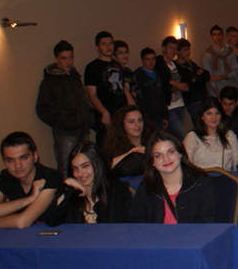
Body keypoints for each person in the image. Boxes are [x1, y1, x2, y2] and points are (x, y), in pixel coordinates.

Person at [0, 132, 61, 228]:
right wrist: (30, 199)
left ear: (35, 157)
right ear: (4, 162)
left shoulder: (51, 176)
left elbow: (22, 222)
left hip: (60, 232)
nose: (17, 165)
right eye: (10, 160)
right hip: (25, 233)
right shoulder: (6, 176)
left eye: (23, 158)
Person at [128, 131, 216, 223]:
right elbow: (137, 224)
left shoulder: (201, 183)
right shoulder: (146, 188)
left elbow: (205, 224)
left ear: (180, 153)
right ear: (152, 162)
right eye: (158, 156)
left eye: (171, 152)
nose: (166, 159)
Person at [35, 39, 92, 177]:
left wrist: (88, 118)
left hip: (83, 130)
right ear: (56, 60)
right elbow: (42, 109)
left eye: (70, 57)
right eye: (64, 58)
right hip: (65, 133)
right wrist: (64, 121)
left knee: (86, 166)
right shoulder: (49, 82)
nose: (68, 62)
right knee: (66, 168)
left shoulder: (75, 78)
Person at [48, 143, 132, 224]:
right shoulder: (72, 193)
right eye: (75, 168)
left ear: (98, 165)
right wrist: (66, 191)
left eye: (85, 166)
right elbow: (52, 221)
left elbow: (115, 225)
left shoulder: (118, 190)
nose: (80, 173)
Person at [85, 30, 132, 147]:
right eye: (104, 44)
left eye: (110, 43)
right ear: (97, 47)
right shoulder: (92, 67)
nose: (108, 47)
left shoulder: (117, 65)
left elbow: (123, 87)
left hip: (122, 113)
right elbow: (92, 95)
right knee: (107, 147)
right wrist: (104, 112)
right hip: (106, 114)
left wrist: (131, 103)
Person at [183, 97, 238, 172]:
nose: (214, 117)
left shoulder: (229, 135)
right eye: (209, 113)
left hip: (225, 177)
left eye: (217, 113)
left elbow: (236, 164)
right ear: (202, 117)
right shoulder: (192, 137)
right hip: (200, 177)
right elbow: (187, 165)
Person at [103, 105, 153, 177]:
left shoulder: (152, 141)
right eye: (131, 122)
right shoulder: (114, 147)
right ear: (122, 125)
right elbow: (107, 169)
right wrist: (131, 152)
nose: (137, 125)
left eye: (140, 120)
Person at [155, 36, 189, 139]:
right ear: (164, 48)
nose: (173, 51)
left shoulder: (175, 65)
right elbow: (166, 85)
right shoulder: (159, 64)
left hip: (180, 104)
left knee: (175, 137)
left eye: (175, 48)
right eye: (170, 48)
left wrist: (176, 84)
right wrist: (177, 85)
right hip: (169, 107)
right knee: (183, 135)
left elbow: (186, 85)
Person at [176, 38, 211, 124]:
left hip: (204, 97)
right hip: (193, 101)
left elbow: (206, 76)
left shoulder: (191, 63)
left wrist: (196, 78)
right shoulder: (177, 67)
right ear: (178, 51)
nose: (188, 52)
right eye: (185, 50)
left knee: (211, 121)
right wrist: (196, 77)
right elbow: (187, 85)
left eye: (189, 49)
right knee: (199, 124)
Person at [202, 24, 238, 98]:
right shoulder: (208, 54)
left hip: (231, 88)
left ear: (223, 36)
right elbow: (209, 77)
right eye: (215, 35)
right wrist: (217, 93)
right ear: (211, 37)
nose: (217, 37)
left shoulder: (230, 52)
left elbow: (235, 71)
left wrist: (221, 77)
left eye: (219, 34)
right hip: (216, 91)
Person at [133, 46, 167, 130]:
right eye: (148, 59)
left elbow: (162, 96)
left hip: (159, 115)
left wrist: (165, 116)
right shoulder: (138, 75)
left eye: (153, 59)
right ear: (143, 60)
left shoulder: (158, 74)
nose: (151, 62)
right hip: (146, 116)